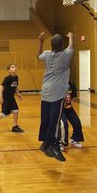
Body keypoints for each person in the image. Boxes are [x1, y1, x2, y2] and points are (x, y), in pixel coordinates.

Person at [37, 31, 74, 162]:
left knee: (45, 119)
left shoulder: (46, 54)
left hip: (45, 91)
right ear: (62, 45)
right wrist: (70, 37)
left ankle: (45, 143)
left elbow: (38, 56)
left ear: (51, 45)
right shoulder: (66, 55)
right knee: (55, 121)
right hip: (57, 93)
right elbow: (71, 46)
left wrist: (41, 42)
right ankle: (53, 145)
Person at [0, 64, 24, 133]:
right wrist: (1, 97)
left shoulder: (16, 77)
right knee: (5, 113)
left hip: (11, 98)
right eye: (12, 67)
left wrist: (18, 93)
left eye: (15, 67)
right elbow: (1, 87)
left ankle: (15, 127)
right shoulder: (7, 78)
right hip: (6, 98)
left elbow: (16, 86)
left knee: (16, 110)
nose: (15, 68)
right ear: (9, 70)